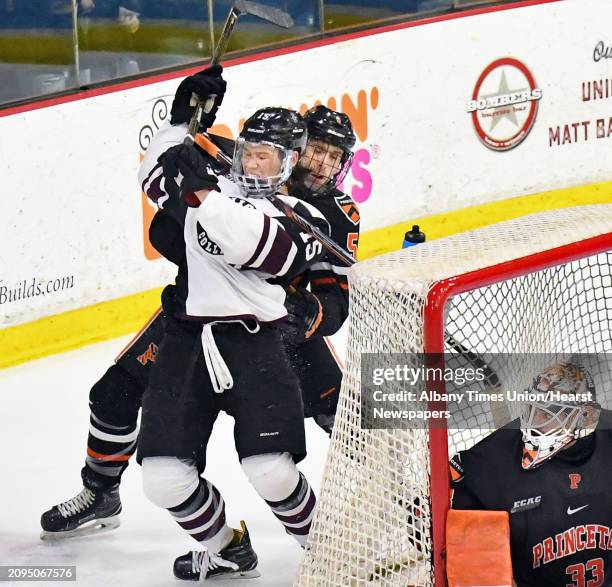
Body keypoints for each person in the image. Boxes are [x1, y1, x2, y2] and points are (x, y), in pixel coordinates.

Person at [39, 68, 359, 558]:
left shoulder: (333, 213)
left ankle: (397, 497)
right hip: (197, 314)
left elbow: (335, 301)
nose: (321, 163)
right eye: (317, 148)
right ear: (295, 146)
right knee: (113, 394)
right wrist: (185, 121)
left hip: (280, 326)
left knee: (347, 415)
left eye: (334, 157)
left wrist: (303, 317)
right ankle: (101, 493)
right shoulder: (239, 170)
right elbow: (174, 203)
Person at [137, 105, 331, 580]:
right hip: (186, 342)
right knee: (162, 479)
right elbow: (152, 175)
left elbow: (261, 249)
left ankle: (329, 551)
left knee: (271, 470)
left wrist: (201, 192)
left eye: (266, 156)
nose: (253, 165)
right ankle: (227, 549)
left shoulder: (305, 216)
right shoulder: (214, 192)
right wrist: (183, 120)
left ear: (289, 161)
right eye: (248, 153)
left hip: (255, 347)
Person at [450, 361, 612, 587]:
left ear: (584, 417)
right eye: (533, 410)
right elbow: (458, 550)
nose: (532, 423)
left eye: (547, 415)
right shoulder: (491, 461)